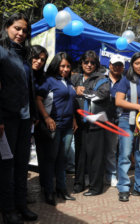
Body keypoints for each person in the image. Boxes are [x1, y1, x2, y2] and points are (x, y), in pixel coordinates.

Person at [0, 13, 38, 223]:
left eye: (25, 30)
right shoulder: (2, 52)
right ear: (7, 27)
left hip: (25, 120)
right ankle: (7, 210)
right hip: (7, 118)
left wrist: (32, 114)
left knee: (22, 164)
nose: (21, 33)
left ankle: (21, 205)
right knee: (7, 165)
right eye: (17, 28)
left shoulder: (24, 54)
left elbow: (28, 86)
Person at [36, 52, 77, 206]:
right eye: (62, 66)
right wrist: (46, 117)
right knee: (50, 159)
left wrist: (73, 119)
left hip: (67, 126)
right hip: (54, 126)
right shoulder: (49, 81)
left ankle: (62, 189)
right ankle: (48, 191)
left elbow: (70, 102)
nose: (65, 69)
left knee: (62, 159)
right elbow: (38, 99)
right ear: (56, 66)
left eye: (67, 66)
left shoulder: (69, 81)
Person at [115, 52, 140, 202]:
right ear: (132, 65)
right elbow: (118, 101)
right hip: (126, 121)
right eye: (137, 63)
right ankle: (124, 187)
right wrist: (138, 106)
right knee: (125, 155)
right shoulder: (126, 80)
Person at [71, 50, 110, 196]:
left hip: (97, 122)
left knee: (96, 156)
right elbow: (68, 91)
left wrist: (83, 91)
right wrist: (75, 89)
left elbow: (102, 94)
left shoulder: (102, 78)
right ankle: (78, 184)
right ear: (81, 63)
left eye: (92, 62)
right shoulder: (75, 78)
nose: (89, 65)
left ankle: (95, 187)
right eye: (86, 62)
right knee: (80, 155)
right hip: (80, 122)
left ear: (96, 64)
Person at [30, 45, 48, 191]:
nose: (39, 61)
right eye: (36, 57)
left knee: (40, 155)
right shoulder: (22, 72)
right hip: (20, 120)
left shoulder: (43, 77)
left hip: (37, 122)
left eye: (42, 59)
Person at [104, 54, 124, 187]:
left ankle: (111, 175)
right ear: (109, 65)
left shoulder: (126, 81)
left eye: (119, 65)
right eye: (114, 64)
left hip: (117, 119)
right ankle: (96, 174)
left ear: (123, 67)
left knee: (112, 149)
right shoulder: (102, 79)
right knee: (97, 149)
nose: (117, 67)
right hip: (100, 119)